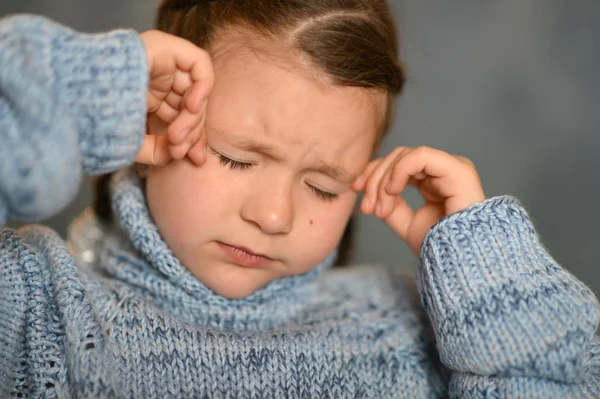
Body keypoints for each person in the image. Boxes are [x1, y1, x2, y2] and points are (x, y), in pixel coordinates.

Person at [1, 0, 599, 397]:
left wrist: (490, 281)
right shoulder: (37, 305)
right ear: (149, 118)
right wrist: (71, 89)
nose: (273, 216)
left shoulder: (414, 330)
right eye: (237, 158)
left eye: (323, 185)